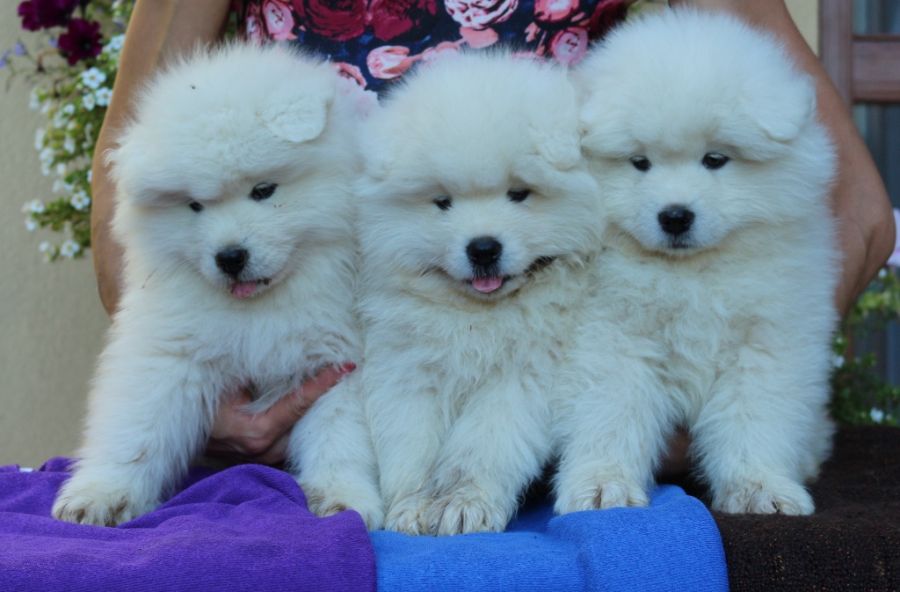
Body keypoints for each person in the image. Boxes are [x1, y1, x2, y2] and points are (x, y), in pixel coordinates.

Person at [89, 0, 896, 468]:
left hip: (562, 369)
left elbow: (856, 210)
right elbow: (140, 180)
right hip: (324, 381)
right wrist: (203, 399)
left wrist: (732, 404)